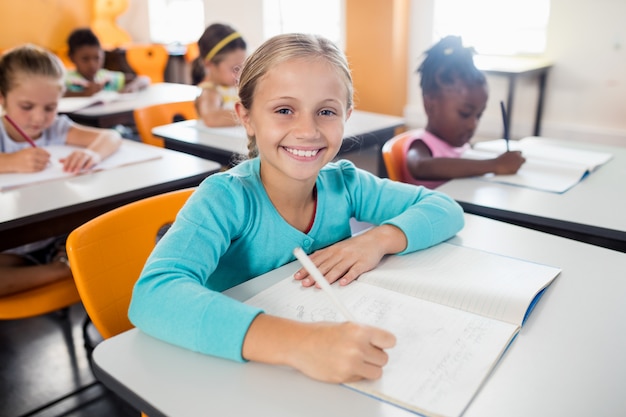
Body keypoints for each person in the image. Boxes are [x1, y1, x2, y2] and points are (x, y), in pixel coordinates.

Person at [129, 33, 465, 384]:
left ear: (346, 116)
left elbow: (444, 207)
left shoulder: (345, 184)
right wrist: (301, 344)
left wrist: (376, 240)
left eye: (326, 111)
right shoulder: (225, 199)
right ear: (246, 117)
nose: (307, 130)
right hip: (232, 376)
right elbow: (153, 294)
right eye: (284, 110)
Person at [0, 44, 122, 296]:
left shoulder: (56, 127)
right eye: (26, 106)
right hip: (11, 245)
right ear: (2, 98)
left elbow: (111, 137)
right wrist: (10, 162)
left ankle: (62, 265)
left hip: (58, 235)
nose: (39, 118)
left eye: (49, 107)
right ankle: (61, 271)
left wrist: (91, 153)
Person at [401, 35, 525, 189]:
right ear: (430, 104)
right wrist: (495, 165)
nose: (473, 124)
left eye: (478, 115)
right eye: (465, 113)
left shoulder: (461, 147)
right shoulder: (421, 145)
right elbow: (421, 167)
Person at [63, 28, 150, 97]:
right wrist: (83, 94)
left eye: (97, 58)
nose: (92, 65)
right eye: (85, 59)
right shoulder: (65, 79)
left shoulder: (106, 78)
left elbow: (144, 79)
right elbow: (57, 94)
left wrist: (132, 87)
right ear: (71, 58)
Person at [193, 23, 247, 127]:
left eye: (243, 67)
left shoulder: (236, 87)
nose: (240, 74)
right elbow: (212, 118)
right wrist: (253, 116)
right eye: (235, 69)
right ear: (209, 65)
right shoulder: (210, 91)